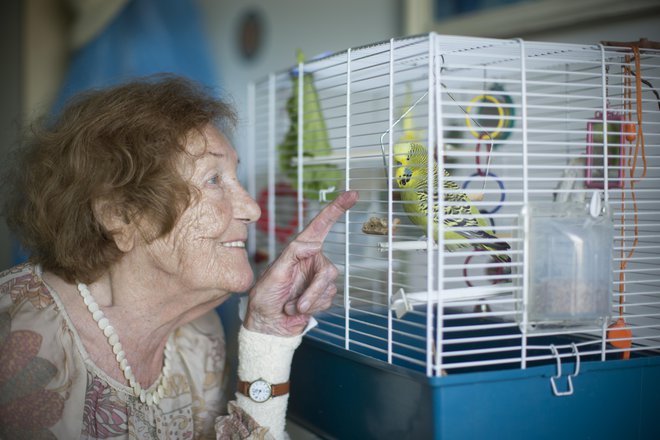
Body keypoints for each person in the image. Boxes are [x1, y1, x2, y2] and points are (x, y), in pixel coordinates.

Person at [0, 75, 358, 440]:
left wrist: (267, 336)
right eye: (214, 180)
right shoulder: (18, 330)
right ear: (120, 215)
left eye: (235, 177)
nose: (252, 208)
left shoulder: (200, 338)